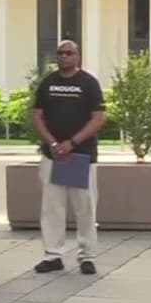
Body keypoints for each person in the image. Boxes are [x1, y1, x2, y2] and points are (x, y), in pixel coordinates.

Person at [31, 40, 106, 275]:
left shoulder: (88, 83)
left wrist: (72, 142)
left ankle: (87, 256)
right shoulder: (48, 83)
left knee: (85, 208)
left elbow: (99, 117)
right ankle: (53, 255)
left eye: (69, 53)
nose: (64, 57)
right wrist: (53, 143)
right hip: (53, 156)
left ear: (78, 56)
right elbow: (36, 115)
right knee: (52, 207)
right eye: (61, 53)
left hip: (80, 156)